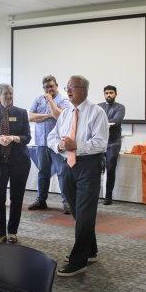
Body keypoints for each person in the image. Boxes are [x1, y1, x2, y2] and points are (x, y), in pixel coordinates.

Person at [47, 75, 108, 277]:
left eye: (72, 87)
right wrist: (60, 145)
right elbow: (52, 137)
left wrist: (77, 146)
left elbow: (101, 143)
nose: (69, 90)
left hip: (88, 166)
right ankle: (90, 249)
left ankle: (78, 260)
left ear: (84, 89)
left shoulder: (96, 112)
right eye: (68, 87)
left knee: (84, 212)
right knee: (77, 211)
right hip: (67, 166)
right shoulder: (65, 114)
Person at [0, 84, 31, 244]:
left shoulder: (21, 112)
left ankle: (13, 232)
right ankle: (1, 233)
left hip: (19, 162)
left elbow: (27, 137)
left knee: (16, 198)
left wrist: (13, 138)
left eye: (11, 94)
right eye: (6, 94)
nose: (9, 97)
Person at [28, 75, 71, 214]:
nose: (49, 89)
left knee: (62, 172)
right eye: (46, 87)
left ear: (56, 85)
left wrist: (51, 101)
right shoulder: (38, 99)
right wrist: (48, 115)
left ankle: (67, 203)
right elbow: (30, 117)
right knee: (43, 173)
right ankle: (41, 201)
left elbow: (60, 116)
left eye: (51, 86)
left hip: (57, 143)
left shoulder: (63, 99)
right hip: (41, 141)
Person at [98, 85, 126, 205]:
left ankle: (108, 197)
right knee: (96, 169)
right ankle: (95, 195)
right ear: (104, 94)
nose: (109, 95)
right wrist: (107, 122)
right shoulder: (98, 107)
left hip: (113, 143)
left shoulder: (120, 107)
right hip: (99, 142)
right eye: (107, 93)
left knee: (110, 169)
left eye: (111, 93)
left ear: (115, 94)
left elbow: (116, 121)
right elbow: (94, 121)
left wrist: (104, 122)